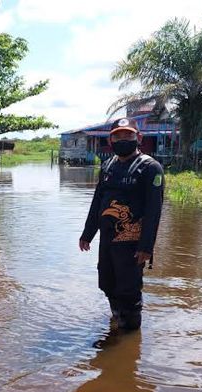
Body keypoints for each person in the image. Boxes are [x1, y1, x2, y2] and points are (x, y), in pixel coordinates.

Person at [79, 117, 164, 331]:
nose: (123, 139)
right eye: (118, 135)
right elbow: (98, 201)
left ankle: (130, 335)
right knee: (107, 283)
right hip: (108, 240)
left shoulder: (150, 168)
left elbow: (154, 210)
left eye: (128, 135)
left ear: (139, 138)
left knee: (129, 288)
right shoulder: (108, 166)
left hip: (132, 242)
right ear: (111, 139)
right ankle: (117, 319)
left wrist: (147, 247)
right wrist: (87, 234)